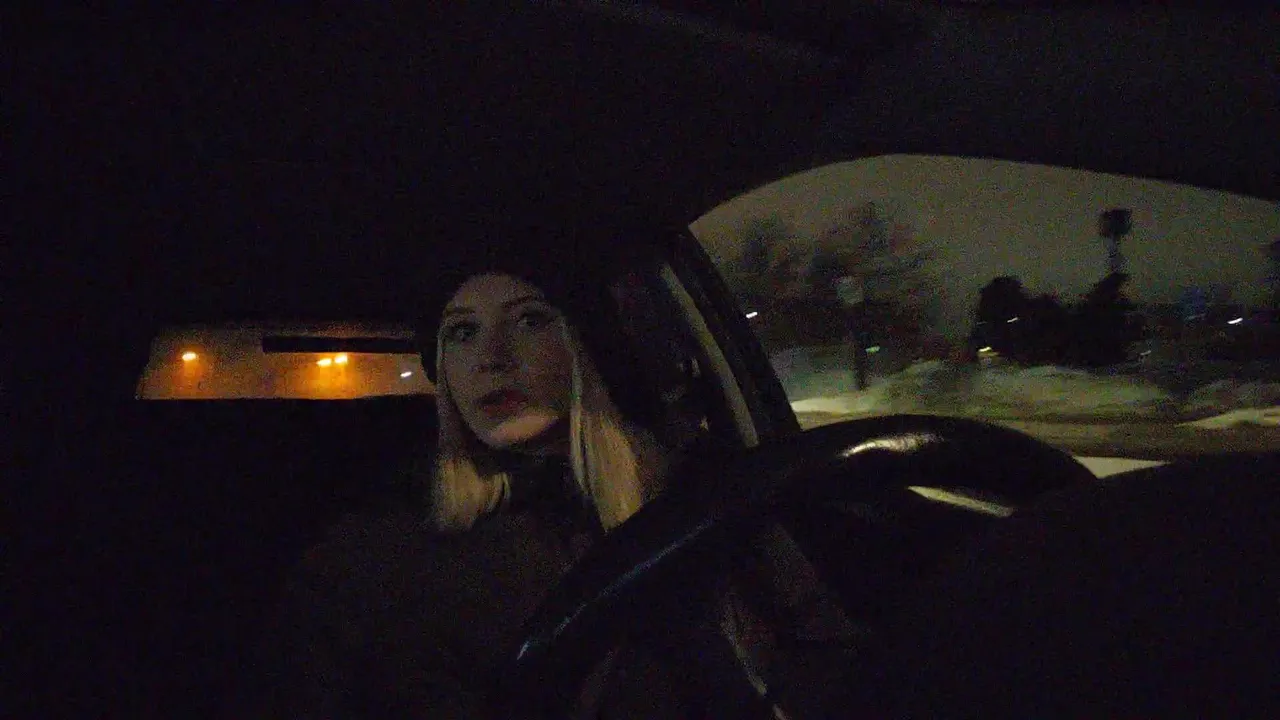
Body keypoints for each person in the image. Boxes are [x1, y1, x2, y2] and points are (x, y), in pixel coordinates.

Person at [245, 240, 855, 718]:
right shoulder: (378, 555)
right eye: (462, 332)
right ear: (445, 372)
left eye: (530, 321)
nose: (492, 357)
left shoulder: (706, 494)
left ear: (583, 347)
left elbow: (825, 653)